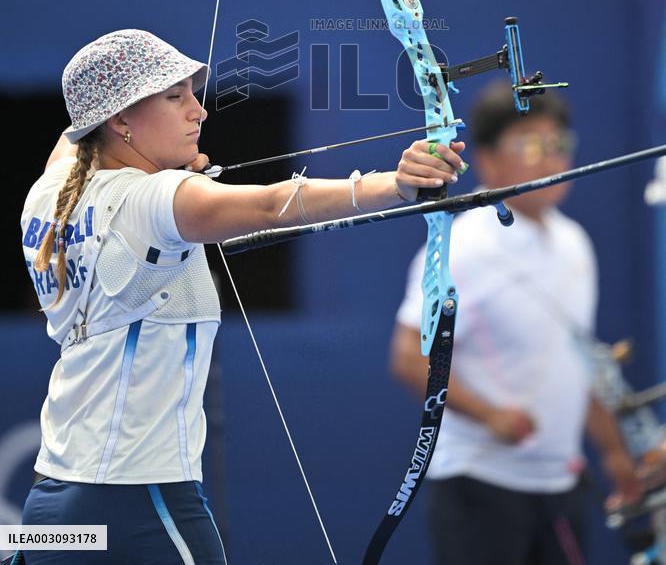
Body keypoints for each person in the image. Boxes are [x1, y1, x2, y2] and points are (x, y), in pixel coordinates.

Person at [17, 28, 464, 564]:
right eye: (174, 96)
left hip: (50, 504)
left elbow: (73, 138)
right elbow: (270, 203)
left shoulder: (48, 193)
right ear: (120, 119)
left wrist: (155, 156)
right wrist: (395, 185)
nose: (198, 111)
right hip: (142, 498)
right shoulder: (156, 200)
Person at [390, 81, 640, 565]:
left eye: (559, 145)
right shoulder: (460, 246)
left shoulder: (575, 243)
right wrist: (490, 415)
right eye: (530, 145)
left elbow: (581, 359)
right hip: (478, 485)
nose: (551, 159)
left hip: (560, 484)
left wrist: (615, 453)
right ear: (486, 158)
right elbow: (407, 357)